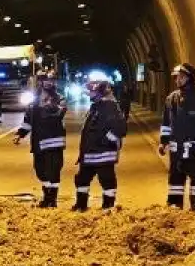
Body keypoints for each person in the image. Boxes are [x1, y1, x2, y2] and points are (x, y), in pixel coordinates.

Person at [158, 63, 195, 212]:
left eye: (181, 77)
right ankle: (174, 206)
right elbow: (166, 123)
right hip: (176, 149)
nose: (177, 80)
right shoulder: (171, 98)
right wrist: (163, 141)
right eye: (176, 77)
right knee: (175, 179)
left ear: (190, 78)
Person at [73, 74, 125, 212]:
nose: (89, 94)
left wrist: (104, 141)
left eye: (92, 91)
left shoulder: (109, 106)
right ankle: (81, 204)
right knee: (82, 179)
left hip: (102, 154)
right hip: (90, 153)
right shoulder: (97, 106)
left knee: (107, 180)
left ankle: (108, 207)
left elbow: (120, 129)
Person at [13, 78, 68, 207]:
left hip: (54, 142)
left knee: (53, 171)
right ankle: (47, 195)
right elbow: (28, 120)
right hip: (38, 142)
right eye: (45, 80)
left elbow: (59, 114)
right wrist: (20, 134)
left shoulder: (60, 98)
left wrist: (47, 105)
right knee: (40, 171)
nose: (49, 83)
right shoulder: (34, 101)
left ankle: (51, 199)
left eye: (51, 81)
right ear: (40, 83)